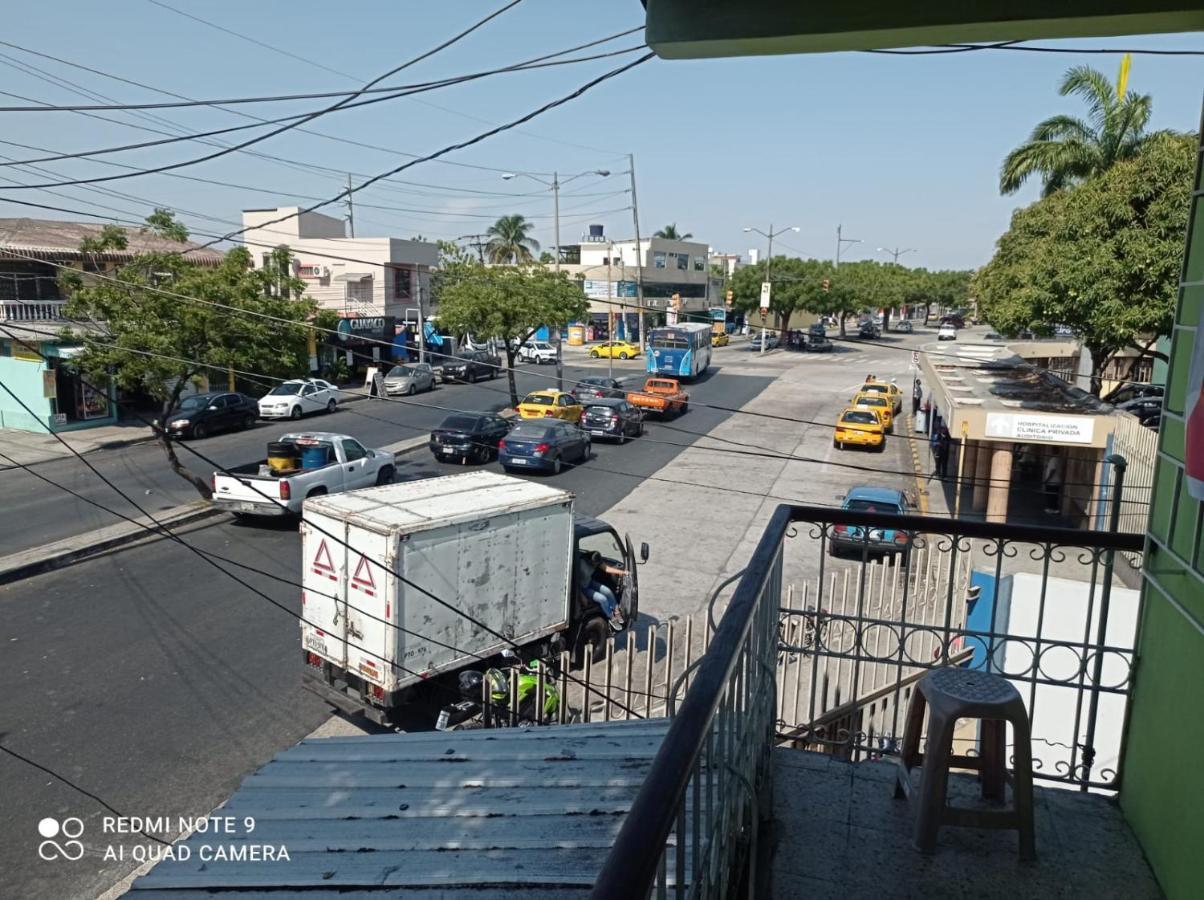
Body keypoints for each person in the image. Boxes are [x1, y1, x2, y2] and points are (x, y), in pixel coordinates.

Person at [577, 550, 626, 629]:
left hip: (589, 582)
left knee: (608, 591)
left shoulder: (597, 561)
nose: (596, 566)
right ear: (589, 560)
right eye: (594, 564)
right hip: (583, 588)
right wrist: (581, 595)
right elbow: (575, 582)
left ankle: (616, 611)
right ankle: (611, 617)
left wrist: (623, 572)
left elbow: (607, 569)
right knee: (602, 599)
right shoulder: (581, 564)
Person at [1043, 447, 1065, 514]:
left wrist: (1047, 480)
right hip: (1058, 480)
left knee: (1050, 495)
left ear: (1053, 451)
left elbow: (1052, 470)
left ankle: (1051, 509)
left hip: (1052, 481)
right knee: (1055, 496)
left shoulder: (1053, 459)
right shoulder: (1060, 459)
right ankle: (1055, 509)